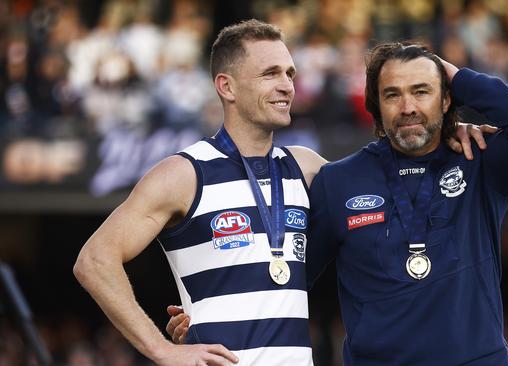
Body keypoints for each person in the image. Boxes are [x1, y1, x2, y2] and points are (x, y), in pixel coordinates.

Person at [75, 20, 487, 366]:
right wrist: (160, 349)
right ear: (227, 86)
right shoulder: (183, 173)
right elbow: (94, 260)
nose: (287, 85)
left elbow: (396, 184)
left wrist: (448, 133)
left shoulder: (307, 167)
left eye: (290, 73)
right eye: (270, 74)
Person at [304, 43, 508, 365]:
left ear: (447, 98)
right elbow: (293, 282)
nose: (408, 106)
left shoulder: (479, 159)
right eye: (392, 94)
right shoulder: (337, 181)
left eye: (422, 91)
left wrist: (454, 75)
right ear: (377, 105)